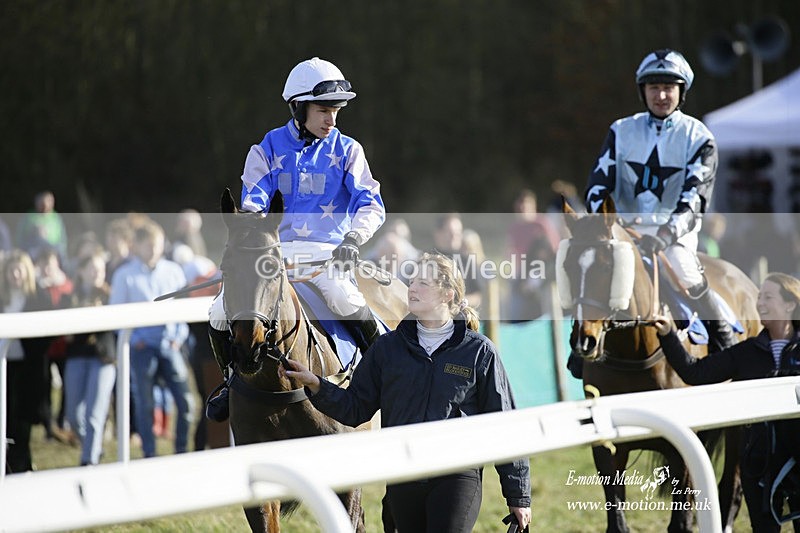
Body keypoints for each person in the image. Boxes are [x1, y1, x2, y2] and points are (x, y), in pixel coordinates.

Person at [282, 252, 532, 532]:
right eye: (412, 281)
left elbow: (505, 425)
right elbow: (355, 408)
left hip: (457, 475)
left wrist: (518, 497)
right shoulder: (386, 348)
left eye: (423, 283)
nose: (412, 288)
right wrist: (317, 385)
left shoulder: (479, 351)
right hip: (403, 473)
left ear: (447, 294)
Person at [209, 57, 385, 363]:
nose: (331, 120)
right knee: (218, 313)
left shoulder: (348, 150)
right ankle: (230, 379)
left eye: (335, 111)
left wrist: (353, 239)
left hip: (328, 257)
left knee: (343, 297)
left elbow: (371, 203)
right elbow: (252, 207)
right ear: (299, 107)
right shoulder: (266, 149)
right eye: (323, 111)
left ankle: (386, 368)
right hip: (276, 256)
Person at [569, 48, 730, 379]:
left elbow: (695, 199)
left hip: (673, 235)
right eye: (654, 87)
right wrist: (602, 226)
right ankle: (580, 343)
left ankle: (723, 340)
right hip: (620, 231)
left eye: (669, 87)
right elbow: (597, 185)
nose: (661, 95)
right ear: (642, 91)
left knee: (685, 270)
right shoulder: (620, 130)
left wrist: (665, 235)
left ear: (681, 92)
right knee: (586, 265)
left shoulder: (699, 137)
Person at [653, 272, 800, 532]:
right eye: (759, 297)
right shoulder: (746, 352)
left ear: (790, 304)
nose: (760, 303)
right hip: (759, 466)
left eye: (768, 297)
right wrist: (667, 335)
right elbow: (696, 373)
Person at [109, 220, 194, 458]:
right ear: (137, 246)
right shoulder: (124, 275)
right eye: (149, 245)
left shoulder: (174, 271)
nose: (155, 249)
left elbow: (184, 309)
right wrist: (134, 340)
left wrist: (178, 337)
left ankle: (181, 451)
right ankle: (150, 455)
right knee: (145, 405)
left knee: (187, 403)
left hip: (170, 345)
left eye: (157, 244)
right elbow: (115, 314)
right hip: (141, 347)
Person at [62, 249, 116, 466]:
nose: (97, 273)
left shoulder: (111, 295)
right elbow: (65, 334)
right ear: (82, 271)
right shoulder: (69, 298)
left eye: (101, 269)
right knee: (73, 415)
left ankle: (89, 461)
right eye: (93, 268)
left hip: (103, 359)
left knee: (94, 413)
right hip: (77, 356)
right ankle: (94, 447)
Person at [2, 250, 52, 473]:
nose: (15, 274)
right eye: (11, 270)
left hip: (29, 369)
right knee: (6, 419)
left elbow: (47, 334)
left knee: (22, 421)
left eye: (19, 270)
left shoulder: (38, 297)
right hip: (5, 367)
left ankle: (22, 466)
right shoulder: (2, 296)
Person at [432, 213, 483, 309]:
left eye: (458, 232)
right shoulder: (425, 259)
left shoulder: (466, 261)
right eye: (450, 232)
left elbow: (478, 296)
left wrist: (457, 302)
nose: (455, 236)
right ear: (438, 233)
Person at [15, 190, 68, 262]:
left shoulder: (56, 218)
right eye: (42, 203)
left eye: (48, 202)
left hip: (53, 249)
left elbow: (62, 239)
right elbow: (21, 237)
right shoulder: (29, 217)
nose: (45, 205)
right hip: (33, 248)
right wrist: (34, 231)